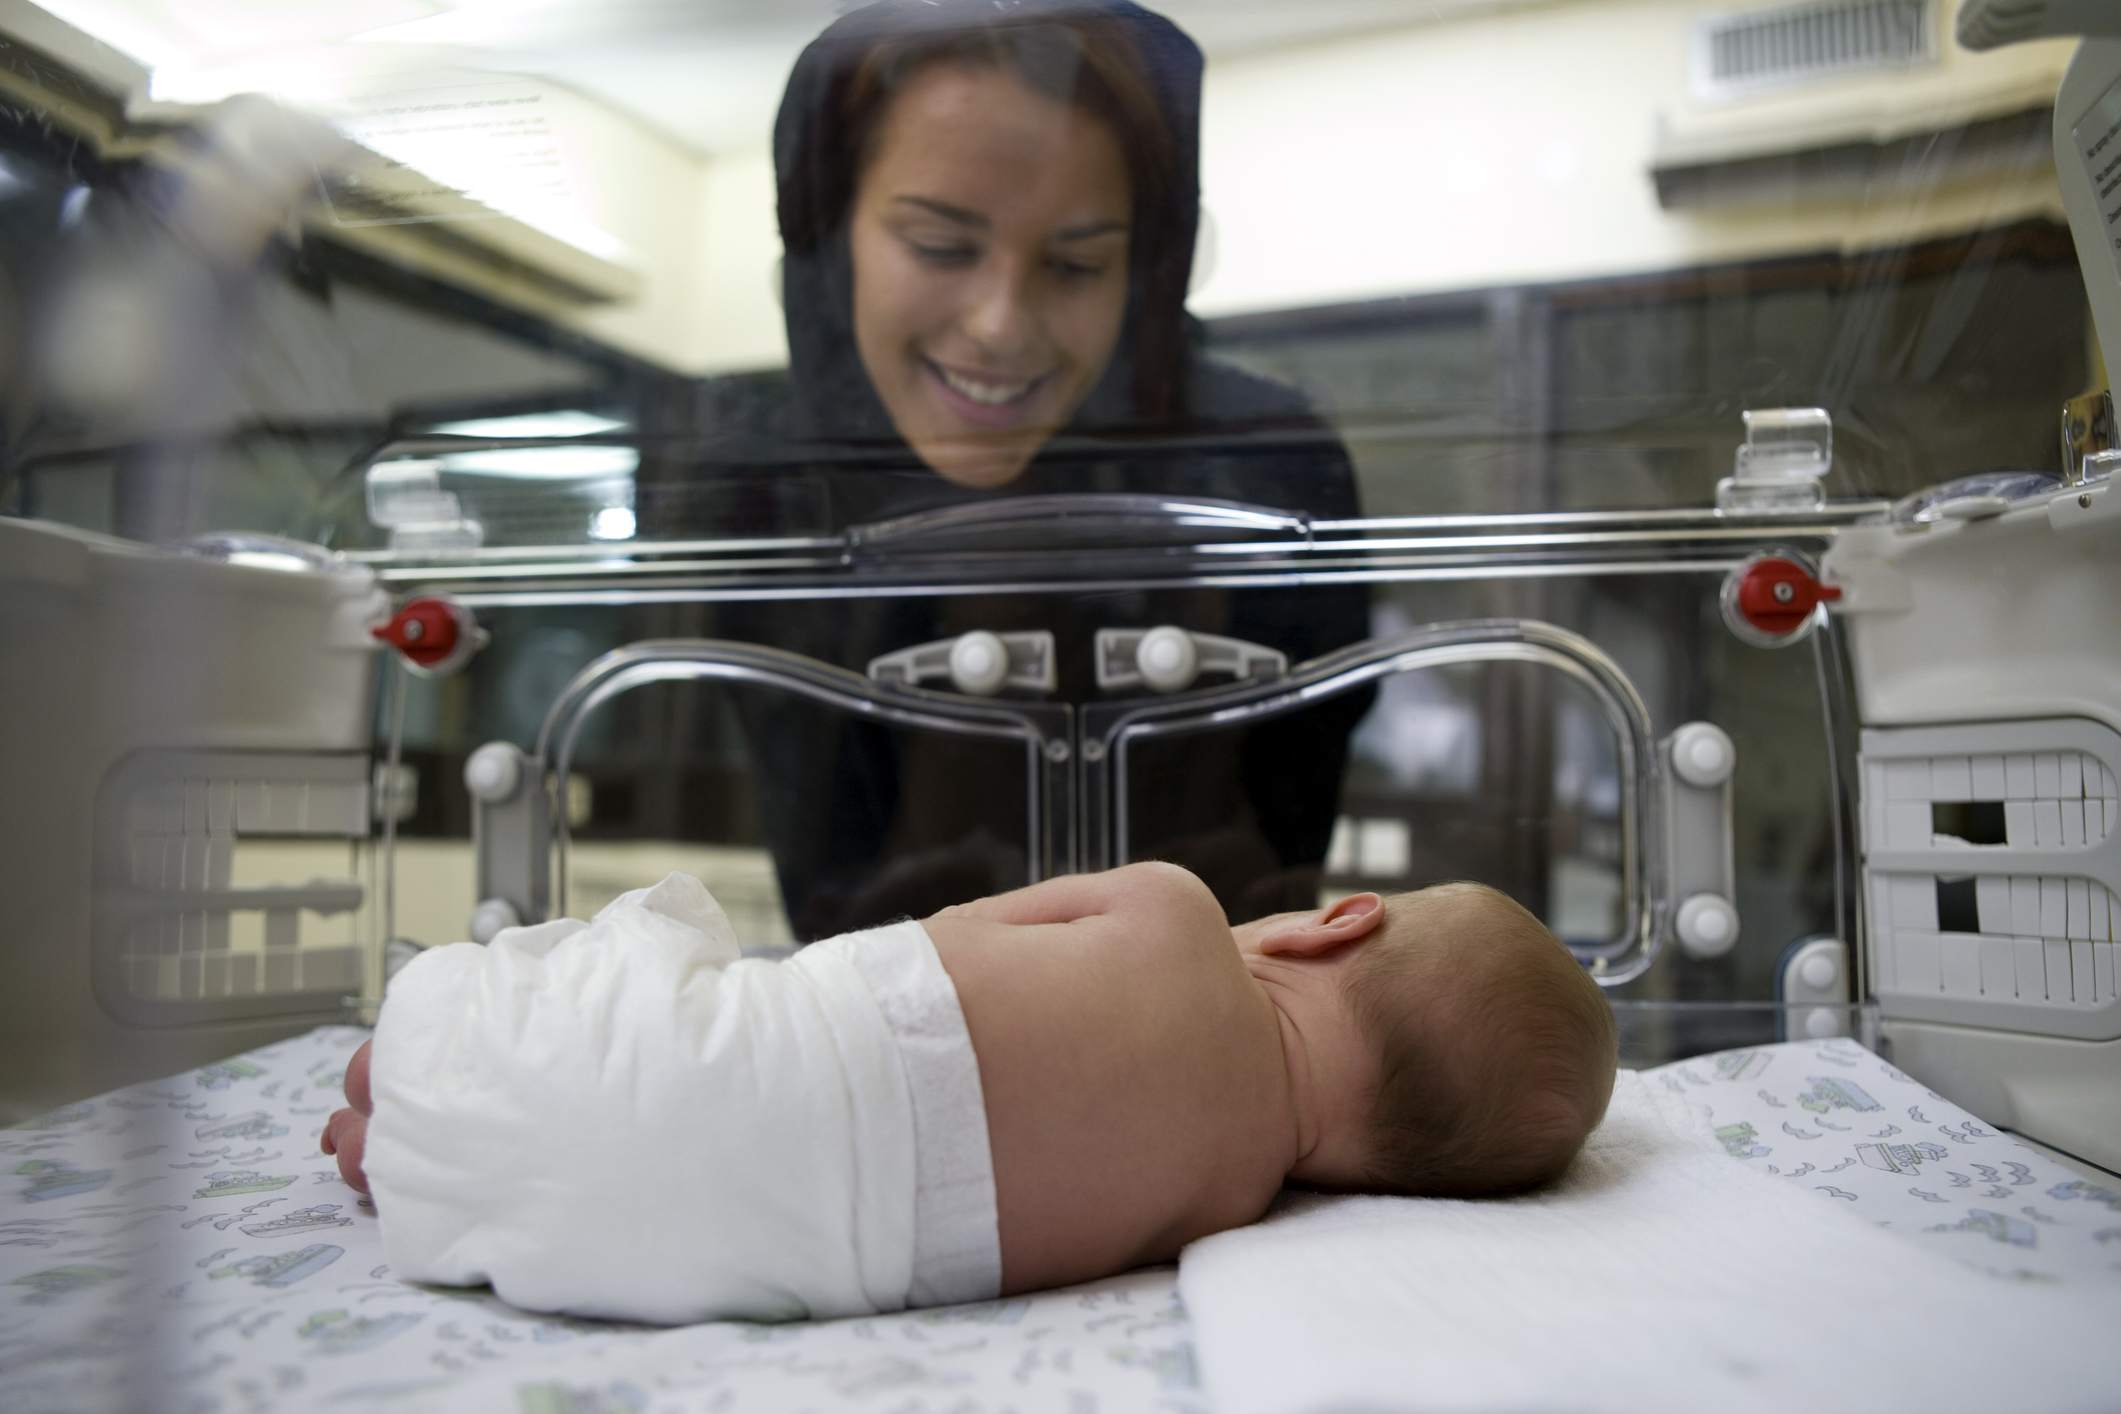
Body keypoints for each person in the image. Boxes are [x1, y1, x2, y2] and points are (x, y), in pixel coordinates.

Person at [639, 0, 1374, 938]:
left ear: (1144, 273)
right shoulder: (764, 492)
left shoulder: (1259, 469)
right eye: (940, 246)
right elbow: (833, 882)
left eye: (1074, 264)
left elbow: (1272, 861)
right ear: (831, 242)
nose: (999, 324)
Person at [322, 862, 1617, 1323]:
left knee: (583, 984)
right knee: (500, 1146)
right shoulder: (1225, 1201)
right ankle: (398, 1151)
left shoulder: (1175, 909)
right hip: (743, 1253)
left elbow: (943, 930)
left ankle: (415, 1078)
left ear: (1333, 924)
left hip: (738, 1066)